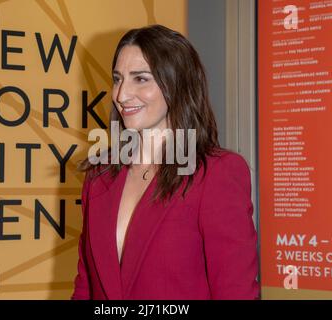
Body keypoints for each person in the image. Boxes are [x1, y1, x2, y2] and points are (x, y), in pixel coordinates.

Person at [71, 24, 259, 300]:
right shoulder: (100, 174)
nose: (121, 95)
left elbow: (235, 293)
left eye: (141, 79)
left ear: (176, 84)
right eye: (118, 78)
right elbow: (86, 286)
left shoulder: (216, 174)